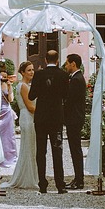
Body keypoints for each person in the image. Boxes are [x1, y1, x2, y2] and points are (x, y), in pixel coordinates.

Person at [29, 49, 69, 194]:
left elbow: (31, 95)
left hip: (41, 117)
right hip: (56, 117)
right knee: (57, 150)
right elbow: (66, 95)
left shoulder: (39, 74)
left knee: (41, 151)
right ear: (57, 60)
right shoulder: (63, 75)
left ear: (46, 60)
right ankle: (60, 184)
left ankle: (43, 184)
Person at [7, 61, 39, 189]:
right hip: (28, 117)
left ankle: (30, 175)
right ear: (22, 73)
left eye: (32, 69)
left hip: (27, 117)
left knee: (30, 147)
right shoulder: (24, 86)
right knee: (29, 147)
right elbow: (30, 107)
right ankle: (27, 178)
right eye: (29, 70)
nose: (32, 72)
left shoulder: (24, 85)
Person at [63, 53, 86, 190]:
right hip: (75, 117)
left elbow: (69, 99)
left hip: (74, 118)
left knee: (75, 149)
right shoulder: (76, 78)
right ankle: (77, 178)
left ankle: (79, 180)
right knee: (74, 149)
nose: (66, 66)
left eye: (67, 63)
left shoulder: (76, 79)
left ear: (73, 64)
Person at [0, 66, 18, 168]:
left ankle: (10, 157)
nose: (3, 78)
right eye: (2, 76)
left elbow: (11, 100)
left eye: (5, 76)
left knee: (9, 136)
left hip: (7, 112)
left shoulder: (8, 85)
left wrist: (10, 87)